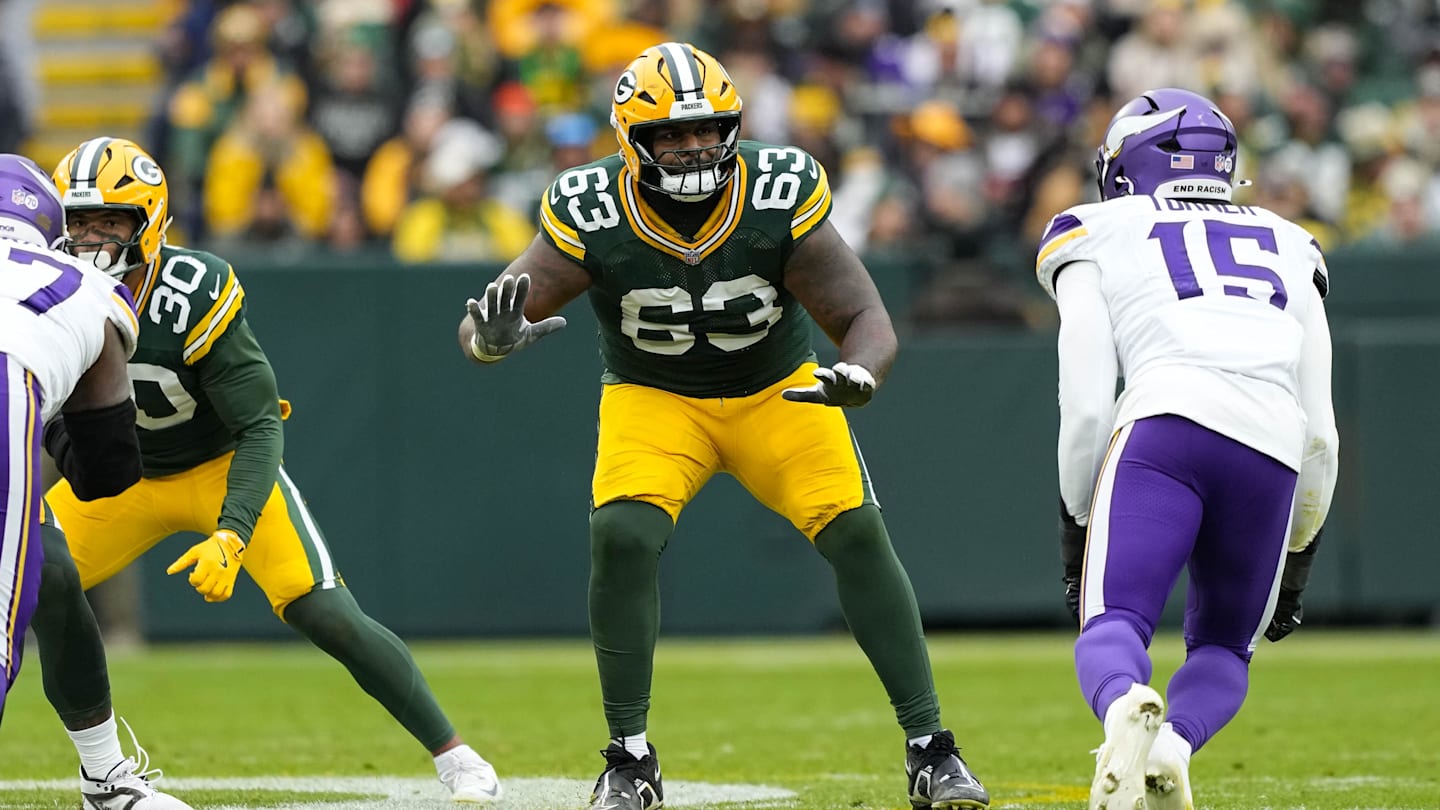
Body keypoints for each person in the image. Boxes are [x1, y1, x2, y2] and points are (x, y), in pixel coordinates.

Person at [456, 42, 990, 810]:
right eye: (671, 135)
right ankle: (629, 757)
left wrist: (863, 373)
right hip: (654, 395)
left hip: (777, 388)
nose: (693, 146)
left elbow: (863, 314)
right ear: (631, 140)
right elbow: (482, 325)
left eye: (706, 129)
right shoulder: (593, 207)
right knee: (622, 536)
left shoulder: (778, 187)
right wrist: (489, 342)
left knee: (855, 530)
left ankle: (932, 748)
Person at [36, 137, 503, 804]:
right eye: (77, 223)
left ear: (149, 221)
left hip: (217, 464)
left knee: (325, 613)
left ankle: (456, 755)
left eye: (109, 222)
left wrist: (231, 533)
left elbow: (259, 425)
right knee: (29, 584)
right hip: (119, 477)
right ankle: (104, 775)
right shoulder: (49, 291)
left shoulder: (192, 290)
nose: (90, 239)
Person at [1035, 88, 1339, 810]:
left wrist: (1077, 520)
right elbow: (1321, 431)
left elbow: (1084, 401)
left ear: (1126, 164)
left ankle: (1122, 714)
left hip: (1164, 427)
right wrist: (1298, 555)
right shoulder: (1293, 243)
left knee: (1114, 623)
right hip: (1272, 447)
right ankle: (1171, 748)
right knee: (1225, 649)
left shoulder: (1094, 226)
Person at [0, 154, 142, 722]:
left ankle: (108, 775)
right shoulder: (89, 287)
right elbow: (109, 469)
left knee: (50, 567)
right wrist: (51, 428)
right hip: (7, 389)